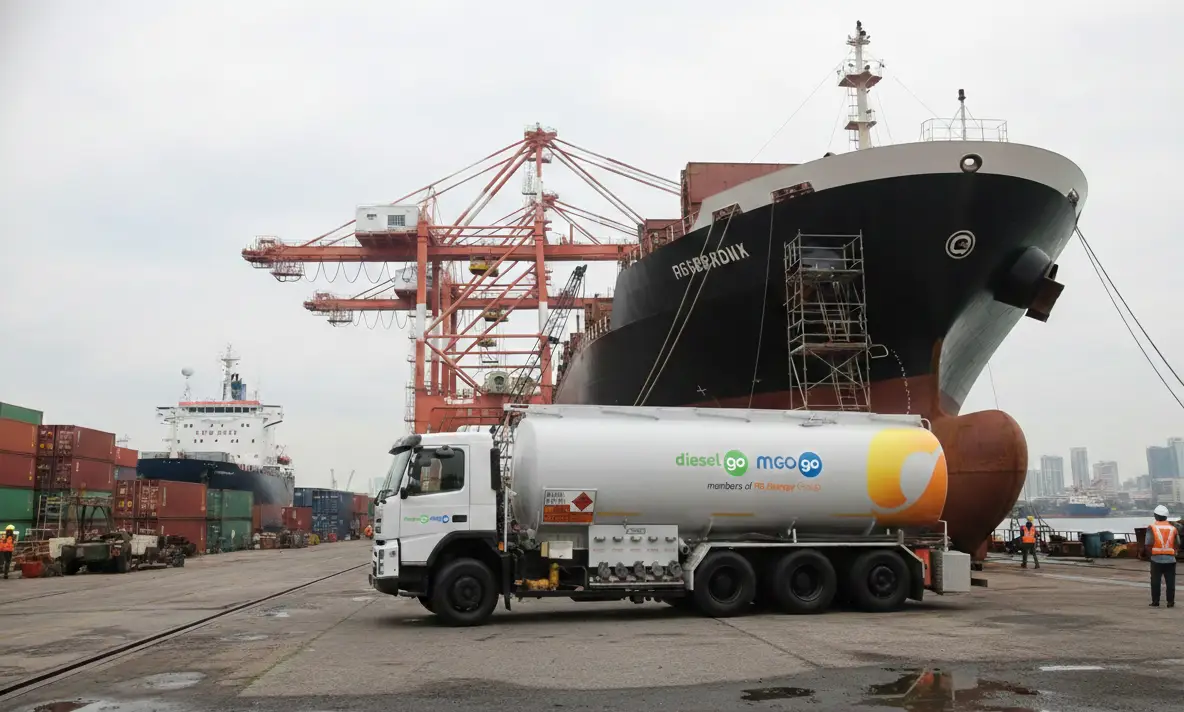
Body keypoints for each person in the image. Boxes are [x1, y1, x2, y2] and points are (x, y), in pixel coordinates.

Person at [1146, 504, 1177, 608]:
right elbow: (1178, 543)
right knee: (1170, 582)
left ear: (1156, 516)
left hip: (1156, 559)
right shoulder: (1173, 529)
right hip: (1171, 560)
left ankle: (1155, 602)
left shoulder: (1152, 528)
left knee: (1155, 582)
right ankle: (1170, 602)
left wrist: (1150, 555)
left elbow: (1148, 544)